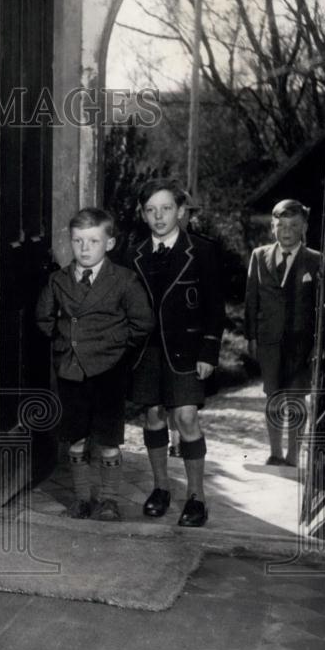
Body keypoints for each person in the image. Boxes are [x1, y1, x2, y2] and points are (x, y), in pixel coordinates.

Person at [37, 208, 155, 521]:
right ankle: (82, 500)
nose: (85, 248)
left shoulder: (124, 280)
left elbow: (142, 322)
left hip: (108, 370)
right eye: (78, 241)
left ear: (110, 243)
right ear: (70, 243)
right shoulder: (58, 280)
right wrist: (64, 343)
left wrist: (116, 347)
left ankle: (110, 501)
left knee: (108, 439)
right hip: (71, 369)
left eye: (93, 240)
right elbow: (44, 318)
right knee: (74, 438)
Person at [125, 179, 224, 527]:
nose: (159, 216)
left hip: (186, 350)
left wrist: (209, 352)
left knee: (185, 419)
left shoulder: (202, 251)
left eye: (166, 208)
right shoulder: (133, 252)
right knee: (153, 416)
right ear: (142, 214)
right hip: (146, 352)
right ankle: (161, 489)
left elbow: (215, 307)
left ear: (180, 211)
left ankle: (196, 497)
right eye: (151, 210)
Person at [244, 199, 321, 467]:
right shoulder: (259, 256)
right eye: (281, 225)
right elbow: (251, 299)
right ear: (272, 227)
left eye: (294, 225)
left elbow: (320, 308)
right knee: (273, 396)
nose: (286, 231)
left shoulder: (314, 260)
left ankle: (293, 455)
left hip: (301, 343)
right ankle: (275, 452)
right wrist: (251, 336)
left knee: (297, 398)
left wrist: (317, 345)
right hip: (269, 341)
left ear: (304, 227)